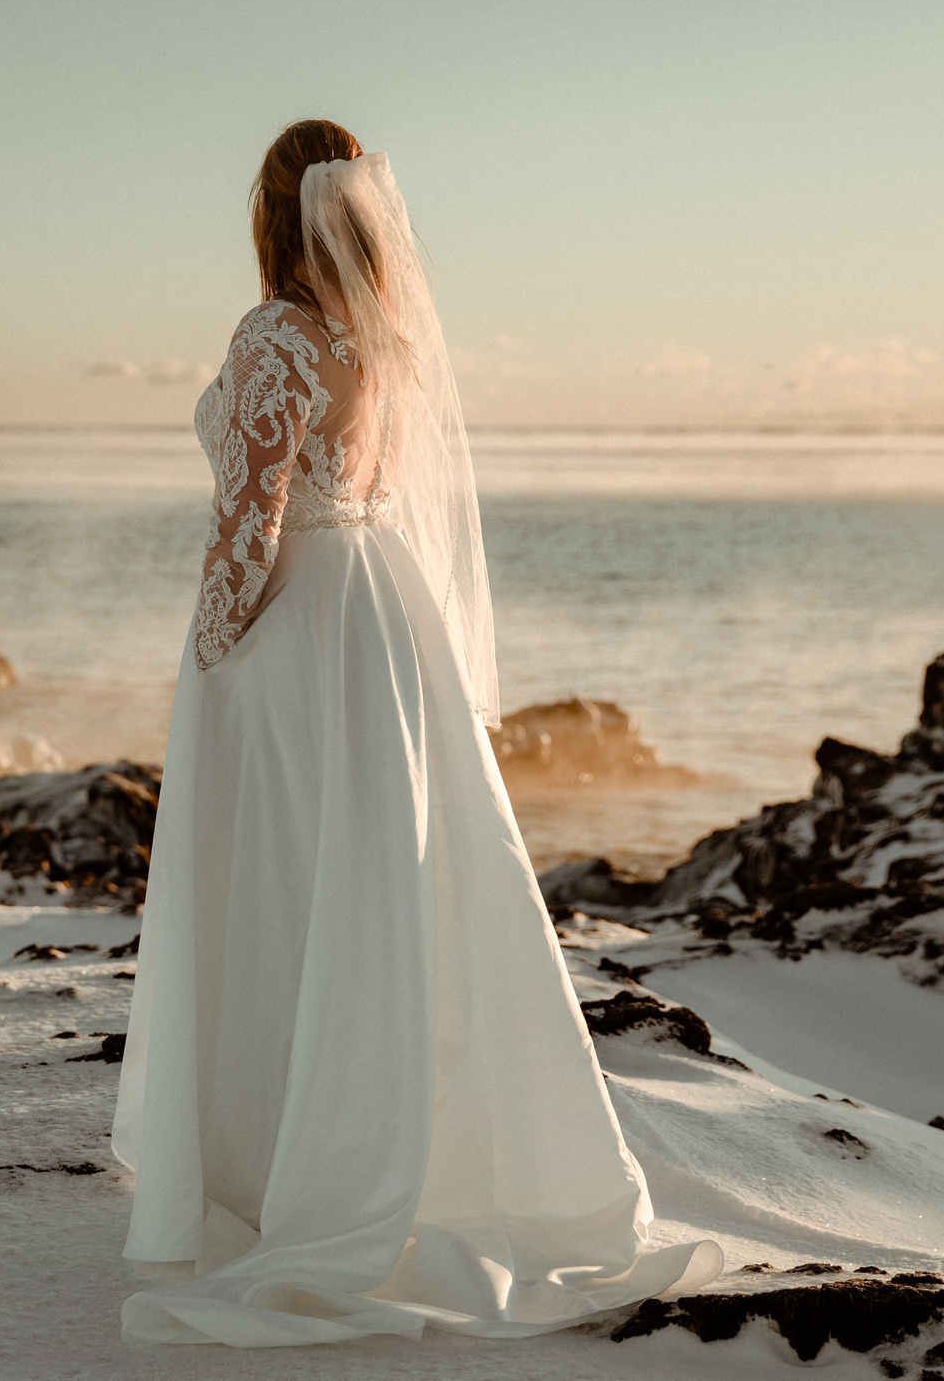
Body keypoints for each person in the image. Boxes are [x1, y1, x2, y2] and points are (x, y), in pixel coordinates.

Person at [110, 122, 723, 1344]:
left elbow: (253, 504)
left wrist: (215, 647)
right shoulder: (382, 340)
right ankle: (382, 1143)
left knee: (284, 880)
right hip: (381, 613)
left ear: (271, 210)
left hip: (294, 624)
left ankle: (288, 1165)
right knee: (384, 879)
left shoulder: (274, 333)